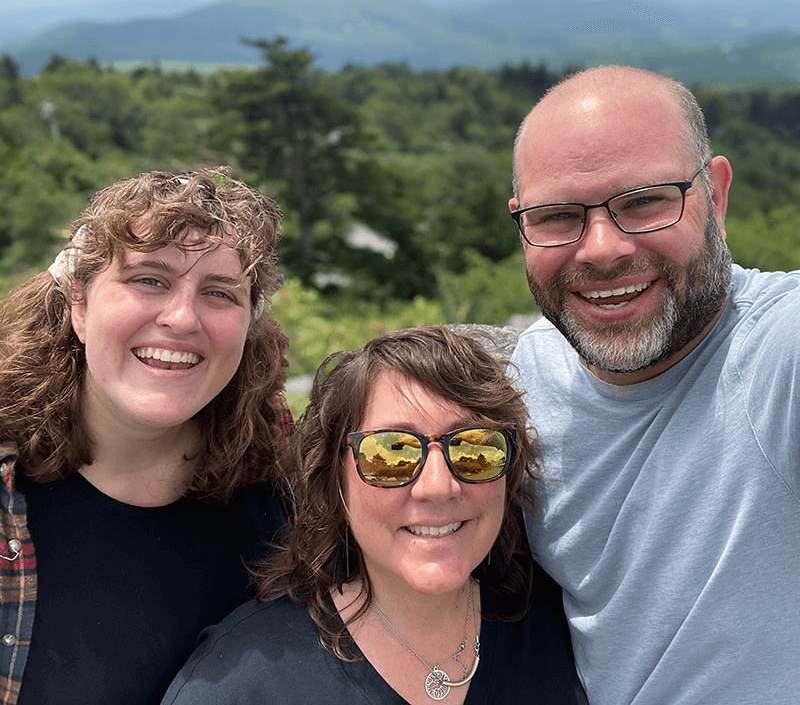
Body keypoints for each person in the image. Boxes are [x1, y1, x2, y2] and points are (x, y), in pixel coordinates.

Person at [508, 65, 800, 704]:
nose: (600, 250)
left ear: (715, 195)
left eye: (644, 202)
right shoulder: (517, 388)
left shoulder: (779, 352)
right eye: (557, 217)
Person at [161, 325, 588, 705]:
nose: (438, 487)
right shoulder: (241, 683)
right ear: (334, 481)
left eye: (474, 449)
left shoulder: (560, 625)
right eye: (392, 452)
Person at [0, 168, 292, 705]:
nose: (182, 318)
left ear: (250, 322)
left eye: (220, 293)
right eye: (148, 280)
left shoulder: (288, 481)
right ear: (80, 306)